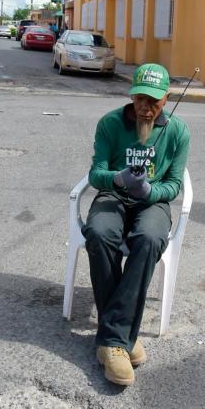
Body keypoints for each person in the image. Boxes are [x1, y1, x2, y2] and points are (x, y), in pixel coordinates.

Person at [84, 63, 189, 386]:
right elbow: (95, 173)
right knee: (100, 233)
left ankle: (111, 340)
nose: (146, 109)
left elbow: (174, 184)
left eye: (154, 102)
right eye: (141, 99)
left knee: (150, 237)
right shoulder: (110, 123)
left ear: (167, 99)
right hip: (113, 194)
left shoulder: (177, 132)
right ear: (131, 95)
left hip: (151, 201)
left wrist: (150, 190)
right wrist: (118, 178)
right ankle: (123, 338)